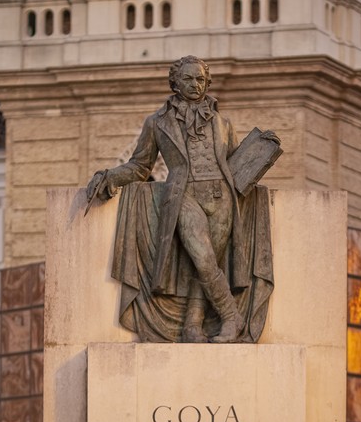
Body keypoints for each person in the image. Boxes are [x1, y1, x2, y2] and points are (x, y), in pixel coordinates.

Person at [88, 56, 278, 343]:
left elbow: (236, 164)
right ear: (174, 82)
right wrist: (110, 177)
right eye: (188, 79)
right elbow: (141, 166)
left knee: (206, 262)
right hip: (183, 194)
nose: (195, 84)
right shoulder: (157, 123)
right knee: (202, 258)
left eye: (200, 79)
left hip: (221, 195)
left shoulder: (223, 123)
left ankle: (192, 325)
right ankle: (231, 316)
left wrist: (261, 150)